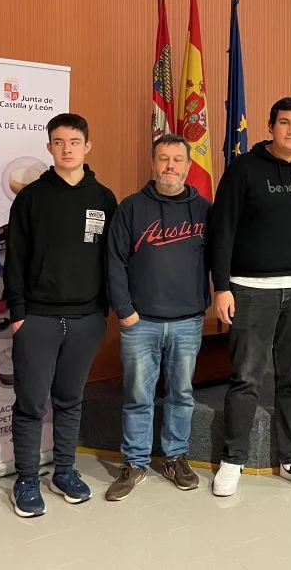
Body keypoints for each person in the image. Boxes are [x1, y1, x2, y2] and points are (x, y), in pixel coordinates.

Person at [209, 98, 291, 497]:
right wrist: (222, 286)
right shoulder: (244, 168)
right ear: (270, 126)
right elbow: (222, 228)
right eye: (283, 122)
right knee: (245, 377)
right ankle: (233, 458)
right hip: (249, 289)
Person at [4, 113, 118, 516]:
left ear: (87, 146)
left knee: (70, 399)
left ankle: (64, 471)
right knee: (31, 403)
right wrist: (19, 314)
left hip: (86, 319)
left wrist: (102, 310)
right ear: (49, 147)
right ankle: (26, 479)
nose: (66, 148)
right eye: (58, 142)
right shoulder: (32, 197)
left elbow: (111, 260)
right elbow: (14, 259)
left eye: (73, 141)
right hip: (37, 318)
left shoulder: (104, 198)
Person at [104, 134, 212, 500]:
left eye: (177, 159)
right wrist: (126, 311)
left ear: (187, 165)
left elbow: (217, 257)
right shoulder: (131, 208)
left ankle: (175, 457)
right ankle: (134, 462)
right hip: (140, 322)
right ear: (153, 163)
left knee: (182, 393)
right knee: (138, 394)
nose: (170, 166)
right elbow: (114, 262)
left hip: (187, 320)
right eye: (163, 159)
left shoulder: (203, 210)